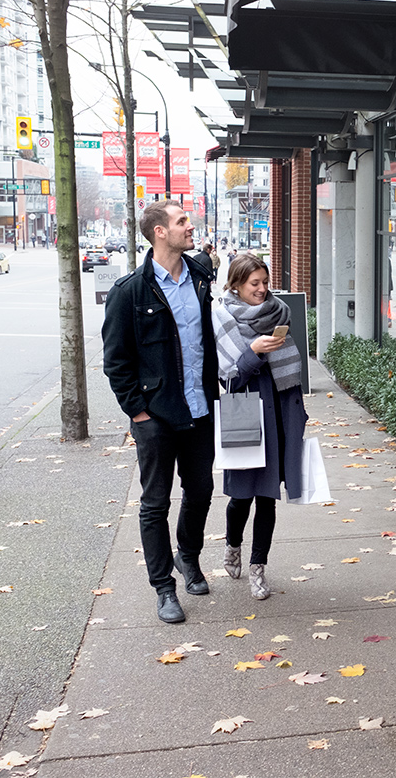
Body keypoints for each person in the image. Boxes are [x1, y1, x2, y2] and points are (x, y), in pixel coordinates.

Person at [101, 200, 219, 624]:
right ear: (159, 233)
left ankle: (188, 557)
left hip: (200, 409)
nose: (191, 226)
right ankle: (164, 589)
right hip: (156, 416)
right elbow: (116, 361)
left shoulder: (202, 277)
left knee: (201, 490)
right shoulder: (130, 292)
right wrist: (138, 414)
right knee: (154, 503)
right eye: (182, 221)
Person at [212, 253, 306, 600]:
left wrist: (300, 416)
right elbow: (229, 378)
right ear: (236, 284)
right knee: (240, 499)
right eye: (255, 284)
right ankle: (232, 545)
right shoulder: (222, 318)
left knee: (268, 500)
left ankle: (258, 570)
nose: (263, 290)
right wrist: (253, 351)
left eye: (266, 283)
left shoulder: (279, 312)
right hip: (246, 414)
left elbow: (292, 372)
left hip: (280, 413)